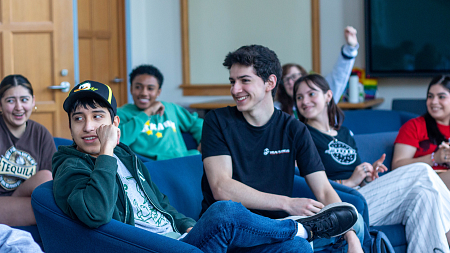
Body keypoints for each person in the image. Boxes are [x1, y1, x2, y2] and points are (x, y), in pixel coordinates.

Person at [52, 80, 359, 253]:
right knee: (225, 210)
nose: (88, 126)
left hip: (184, 240)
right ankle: (302, 227)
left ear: (114, 123)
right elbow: (95, 213)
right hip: (153, 248)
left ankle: (300, 234)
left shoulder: (127, 156)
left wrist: (187, 225)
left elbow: (158, 204)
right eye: (78, 119)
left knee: (295, 250)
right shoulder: (69, 166)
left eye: (97, 117)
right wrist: (106, 151)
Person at [201, 45, 363, 252]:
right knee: (229, 211)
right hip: (231, 232)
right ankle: (298, 230)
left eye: (245, 81)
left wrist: (351, 235)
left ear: (270, 82)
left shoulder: (295, 129)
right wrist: (287, 204)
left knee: (355, 222)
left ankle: (297, 230)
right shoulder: (217, 121)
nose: (235, 89)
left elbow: (323, 189)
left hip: (277, 233)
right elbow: (221, 187)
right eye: (233, 82)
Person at [294, 73, 450, 253]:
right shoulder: (301, 135)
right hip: (340, 204)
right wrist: (349, 182)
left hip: (362, 195)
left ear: (328, 96)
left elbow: (356, 176)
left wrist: (368, 177)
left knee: (424, 196)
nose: (305, 101)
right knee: (422, 171)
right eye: (299, 97)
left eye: (311, 94)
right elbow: (302, 184)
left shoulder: (344, 133)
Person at [0, 74, 54, 226]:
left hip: (28, 199)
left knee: (45, 176)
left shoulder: (40, 133)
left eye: (24, 100)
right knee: (52, 214)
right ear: (0, 104)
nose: (18, 107)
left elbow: (51, 184)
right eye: (10, 101)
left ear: (33, 101)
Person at [117, 65, 202, 160]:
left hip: (183, 159)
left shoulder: (170, 108)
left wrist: (205, 141)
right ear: (131, 89)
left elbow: (196, 123)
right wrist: (147, 112)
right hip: (151, 165)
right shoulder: (121, 113)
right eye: (138, 87)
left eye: (150, 88)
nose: (144, 93)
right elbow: (119, 142)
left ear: (158, 92)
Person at [276, 26, 358, 117]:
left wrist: (350, 49)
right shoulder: (278, 110)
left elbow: (339, 76)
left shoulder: (322, 96)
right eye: (286, 80)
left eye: (294, 76)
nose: (290, 82)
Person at [393, 75, 450, 191]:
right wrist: (435, 158)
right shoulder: (414, 126)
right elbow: (396, 166)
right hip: (421, 183)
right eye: (430, 96)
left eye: (441, 97)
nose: (434, 102)